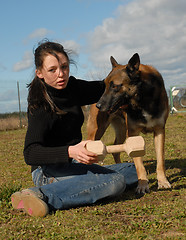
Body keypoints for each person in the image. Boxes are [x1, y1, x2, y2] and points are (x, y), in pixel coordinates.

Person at [11, 40, 138, 217]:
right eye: (52, 70)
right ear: (39, 73)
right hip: (47, 169)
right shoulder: (40, 106)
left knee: (134, 171)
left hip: (74, 164)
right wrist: (71, 151)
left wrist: (134, 81)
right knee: (115, 182)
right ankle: (40, 194)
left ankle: (78, 183)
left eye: (64, 67)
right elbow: (30, 153)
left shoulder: (73, 87)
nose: (61, 74)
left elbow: (106, 87)